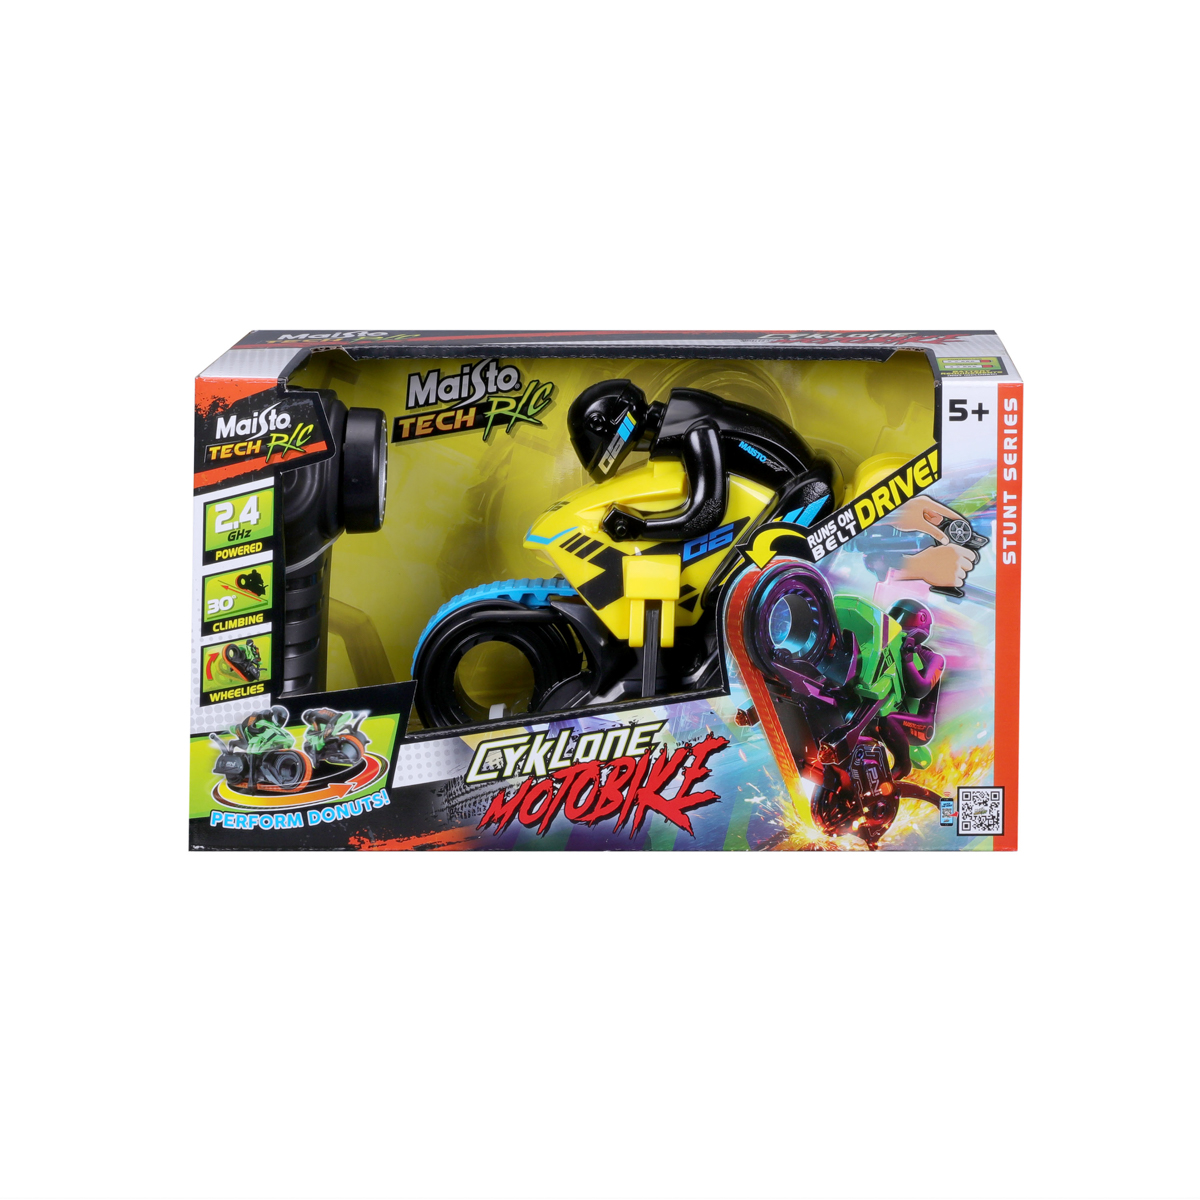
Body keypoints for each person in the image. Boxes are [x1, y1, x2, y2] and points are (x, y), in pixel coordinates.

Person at [567, 379, 833, 544]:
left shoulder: (696, 432)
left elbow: (707, 512)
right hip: (806, 482)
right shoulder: (685, 418)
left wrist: (640, 527)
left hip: (809, 494)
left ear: (603, 424)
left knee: (729, 585)